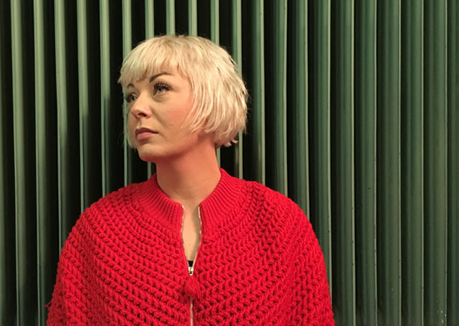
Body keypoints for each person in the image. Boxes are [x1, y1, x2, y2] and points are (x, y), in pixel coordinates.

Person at [46, 35, 334, 325]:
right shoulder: (100, 229)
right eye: (131, 96)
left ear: (211, 98)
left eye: (160, 88)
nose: (136, 108)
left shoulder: (278, 222)